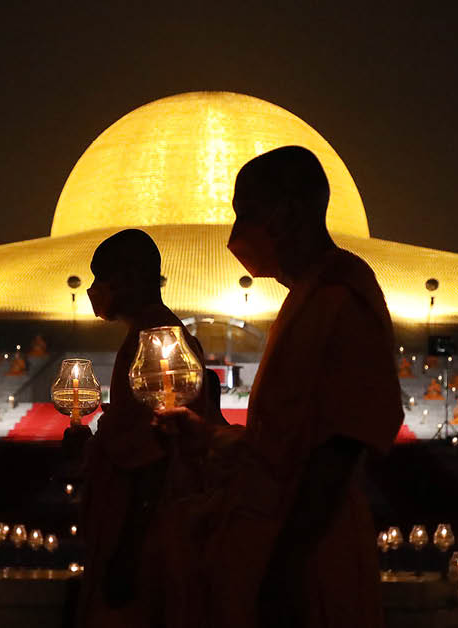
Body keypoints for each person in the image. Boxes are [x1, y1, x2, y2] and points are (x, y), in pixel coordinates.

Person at [162, 146, 405, 628]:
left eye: (246, 214)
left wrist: (288, 564)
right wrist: (207, 432)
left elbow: (339, 446)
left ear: (287, 213)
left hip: (310, 554)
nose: (235, 236)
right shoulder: (304, 299)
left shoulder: (341, 297)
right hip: (271, 542)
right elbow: (280, 446)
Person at [76, 228, 212, 628]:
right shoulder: (147, 335)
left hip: (148, 528)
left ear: (129, 279)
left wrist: (129, 549)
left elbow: (156, 453)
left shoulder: (156, 343)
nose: (95, 290)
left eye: (101, 278)